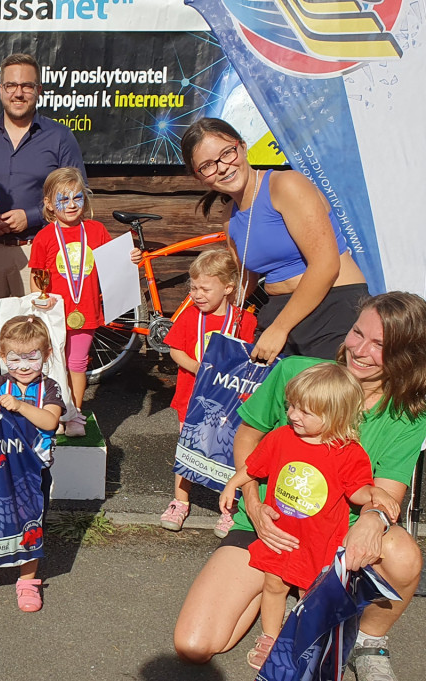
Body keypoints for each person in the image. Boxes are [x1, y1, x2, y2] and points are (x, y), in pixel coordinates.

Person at [174, 292, 426, 681]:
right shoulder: (298, 373)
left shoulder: (407, 415)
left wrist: (371, 520)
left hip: (334, 537)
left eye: (379, 344)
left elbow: (387, 493)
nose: (359, 350)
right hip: (270, 525)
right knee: (195, 646)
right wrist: (254, 505)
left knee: (403, 554)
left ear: (406, 356)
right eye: (358, 333)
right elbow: (248, 437)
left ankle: (367, 640)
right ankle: (282, 587)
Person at [218, 362, 401, 669]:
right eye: (292, 406)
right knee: (274, 586)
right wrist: (232, 485)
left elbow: (356, 491)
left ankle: (304, 640)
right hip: (281, 535)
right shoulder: (281, 437)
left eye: (305, 411)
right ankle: (270, 636)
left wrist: (374, 493)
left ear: (334, 416)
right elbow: (254, 466)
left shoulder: (348, 452)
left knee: (311, 594)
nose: (293, 415)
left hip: (318, 544)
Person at [181, 117, 367, 364]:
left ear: (243, 147)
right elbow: (245, 280)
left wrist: (279, 328)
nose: (222, 167)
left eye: (226, 153)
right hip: (278, 311)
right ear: (199, 177)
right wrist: (209, 307)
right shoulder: (229, 217)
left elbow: (326, 265)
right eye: (207, 166)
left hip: (332, 306)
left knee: (329, 389)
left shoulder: (286, 185)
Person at [0, 52, 86, 400]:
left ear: (39, 90)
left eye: (26, 86)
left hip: (37, 252)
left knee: (39, 336)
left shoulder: (59, 138)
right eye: (11, 85)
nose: (18, 92)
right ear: (0, 89)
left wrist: (31, 215)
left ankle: (39, 408)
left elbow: (77, 192)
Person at [159, 248, 257, 535]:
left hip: (230, 402)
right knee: (187, 449)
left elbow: (249, 358)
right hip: (191, 398)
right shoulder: (189, 316)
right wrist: (196, 367)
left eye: (204, 289)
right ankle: (180, 501)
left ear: (228, 287)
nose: (197, 295)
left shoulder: (244, 320)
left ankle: (229, 508)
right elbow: (175, 350)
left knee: (230, 452)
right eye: (193, 288)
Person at [0, 315, 65, 612]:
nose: (24, 366)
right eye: (15, 359)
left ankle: (27, 581)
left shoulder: (50, 388)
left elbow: (50, 421)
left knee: (31, 526)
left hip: (34, 472)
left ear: (47, 355)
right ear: (3, 356)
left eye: (32, 357)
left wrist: (20, 405)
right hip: (0, 470)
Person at [28, 168, 109, 435]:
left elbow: (113, 264)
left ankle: (74, 413)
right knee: (55, 365)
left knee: (77, 363)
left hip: (86, 312)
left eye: (77, 197)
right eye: (63, 199)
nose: (72, 205)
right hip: (55, 314)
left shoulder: (96, 230)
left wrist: (130, 258)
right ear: (49, 204)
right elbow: (37, 277)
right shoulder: (44, 236)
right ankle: (55, 413)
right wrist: (38, 302)